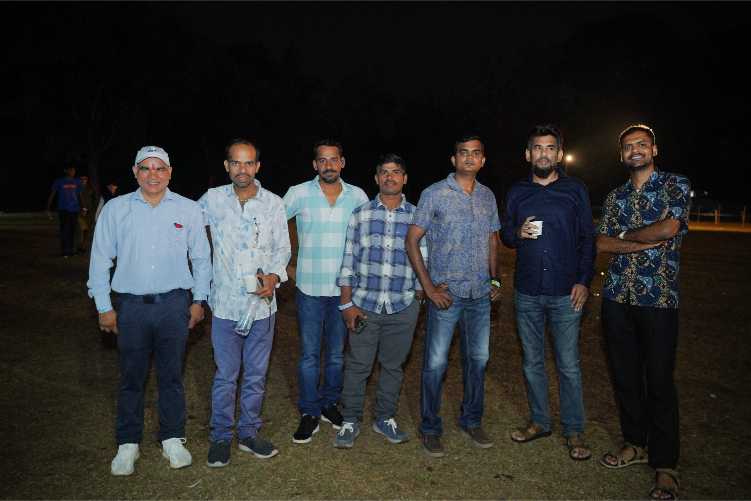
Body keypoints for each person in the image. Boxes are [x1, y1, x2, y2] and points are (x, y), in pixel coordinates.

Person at [87, 145, 211, 476]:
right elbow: (100, 260)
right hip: (131, 308)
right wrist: (104, 307)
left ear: (169, 172)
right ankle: (128, 443)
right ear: (135, 172)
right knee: (131, 377)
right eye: (146, 168)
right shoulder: (116, 209)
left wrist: (199, 300)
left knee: (172, 376)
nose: (153, 175)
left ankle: (172, 437)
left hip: (174, 305)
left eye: (159, 168)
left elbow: (201, 259)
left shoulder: (188, 209)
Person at [596, 124, 690, 501]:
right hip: (617, 297)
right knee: (625, 377)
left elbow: (669, 228)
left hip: (659, 300)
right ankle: (634, 443)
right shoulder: (615, 197)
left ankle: (665, 465)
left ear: (654, 149)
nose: (635, 150)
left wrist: (624, 237)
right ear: (621, 155)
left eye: (642, 144)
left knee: (660, 381)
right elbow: (600, 243)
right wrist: (640, 240)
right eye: (628, 146)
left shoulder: (674, 185)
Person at [501, 125, 595, 460]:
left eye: (550, 148)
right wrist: (517, 232)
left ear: (559, 154)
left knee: (568, 364)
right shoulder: (517, 192)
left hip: (565, 292)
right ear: (528, 154)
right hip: (527, 291)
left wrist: (583, 281)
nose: (544, 154)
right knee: (532, 363)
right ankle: (540, 421)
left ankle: (574, 430)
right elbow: (505, 235)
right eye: (538, 148)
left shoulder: (575, 190)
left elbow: (587, 239)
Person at [406, 134, 502, 457]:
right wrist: (429, 288)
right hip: (447, 295)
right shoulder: (434, 193)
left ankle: (471, 420)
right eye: (463, 153)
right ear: (454, 159)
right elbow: (412, 240)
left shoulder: (487, 196)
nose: (469, 158)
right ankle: (430, 427)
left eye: (475, 153)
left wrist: (496, 280)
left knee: (478, 360)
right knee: (435, 363)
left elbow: (492, 240)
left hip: (480, 294)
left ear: (483, 160)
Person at [198, 139, 291, 466]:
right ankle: (221, 437)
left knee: (255, 375)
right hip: (225, 305)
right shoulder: (211, 200)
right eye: (236, 163)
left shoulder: (273, 203)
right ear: (227, 166)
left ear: (257, 167)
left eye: (249, 163)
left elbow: (283, 250)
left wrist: (275, 277)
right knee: (226, 374)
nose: (242, 169)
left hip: (262, 308)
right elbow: (189, 233)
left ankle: (249, 433)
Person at [334, 154, 426, 449]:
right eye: (384, 172)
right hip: (364, 306)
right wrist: (347, 304)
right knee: (357, 365)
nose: (390, 177)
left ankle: (385, 417)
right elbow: (348, 260)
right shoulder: (360, 214)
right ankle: (350, 420)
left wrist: (418, 299)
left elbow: (424, 258)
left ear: (404, 178)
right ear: (376, 178)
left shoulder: (417, 215)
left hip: (403, 306)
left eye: (396, 172)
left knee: (393, 366)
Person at [283, 139, 369, 444]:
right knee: (309, 355)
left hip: (344, 292)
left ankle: (329, 404)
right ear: (315, 164)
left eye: (334, 159)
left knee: (336, 355)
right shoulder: (299, 193)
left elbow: (366, 240)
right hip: (309, 287)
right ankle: (309, 411)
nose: (328, 165)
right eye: (322, 160)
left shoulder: (357, 196)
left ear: (342, 163)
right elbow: (272, 225)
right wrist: (285, 268)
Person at [46, 165, 83, 258]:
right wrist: (48, 207)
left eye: (74, 170)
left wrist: (83, 207)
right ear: (66, 170)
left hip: (74, 209)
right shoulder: (59, 181)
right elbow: (53, 194)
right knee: (64, 230)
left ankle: (72, 251)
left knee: (73, 230)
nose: (73, 172)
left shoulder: (77, 181)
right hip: (63, 209)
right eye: (71, 170)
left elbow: (80, 195)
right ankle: (64, 251)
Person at [76, 174, 97, 253]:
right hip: (79, 212)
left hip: (89, 212)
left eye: (85, 179)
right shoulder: (77, 188)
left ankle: (83, 246)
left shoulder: (90, 188)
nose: (83, 180)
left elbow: (94, 200)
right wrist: (83, 208)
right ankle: (79, 245)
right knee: (80, 229)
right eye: (81, 179)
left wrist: (93, 210)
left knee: (87, 230)